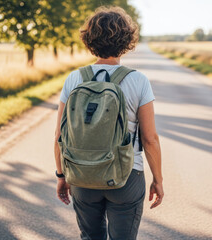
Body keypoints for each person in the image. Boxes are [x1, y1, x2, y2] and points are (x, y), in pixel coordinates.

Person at [54, 6, 164, 240]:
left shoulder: (74, 79)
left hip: (82, 175)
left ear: (89, 40)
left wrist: (62, 176)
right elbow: (149, 139)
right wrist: (158, 179)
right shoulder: (138, 80)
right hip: (126, 177)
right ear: (126, 40)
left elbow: (59, 137)